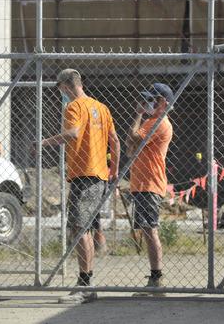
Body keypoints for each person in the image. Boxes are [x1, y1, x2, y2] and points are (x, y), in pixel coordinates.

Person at [42, 69, 120, 304]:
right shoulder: (101, 108)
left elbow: (73, 134)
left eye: (61, 90)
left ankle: (85, 284)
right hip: (99, 174)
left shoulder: (74, 107)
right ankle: (86, 282)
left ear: (66, 86)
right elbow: (114, 140)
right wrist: (113, 170)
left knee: (79, 229)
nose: (61, 95)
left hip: (84, 175)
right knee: (83, 228)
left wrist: (45, 142)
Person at [125, 83, 174, 297]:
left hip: (150, 183)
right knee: (146, 229)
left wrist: (137, 116)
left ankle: (157, 277)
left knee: (150, 228)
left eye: (152, 99)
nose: (147, 103)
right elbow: (130, 146)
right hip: (141, 183)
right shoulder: (151, 121)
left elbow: (134, 138)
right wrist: (135, 134)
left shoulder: (159, 123)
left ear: (163, 102)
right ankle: (155, 277)